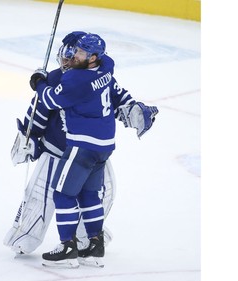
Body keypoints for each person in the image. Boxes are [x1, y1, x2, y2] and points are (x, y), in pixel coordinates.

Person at [29, 33, 158, 268]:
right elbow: (116, 91)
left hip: (82, 145)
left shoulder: (77, 81)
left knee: (63, 194)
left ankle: (68, 246)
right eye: (74, 51)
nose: (73, 56)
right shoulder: (106, 69)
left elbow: (50, 101)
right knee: (90, 195)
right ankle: (95, 245)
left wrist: (39, 82)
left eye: (79, 53)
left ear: (93, 57)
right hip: (104, 146)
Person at [3, 32, 119, 256]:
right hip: (60, 151)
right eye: (65, 56)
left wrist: (128, 105)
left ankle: (88, 239)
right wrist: (30, 138)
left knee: (103, 194)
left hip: (84, 150)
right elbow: (38, 111)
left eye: (72, 55)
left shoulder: (84, 79)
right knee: (40, 197)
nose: (67, 61)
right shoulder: (62, 77)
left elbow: (115, 95)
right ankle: (25, 236)